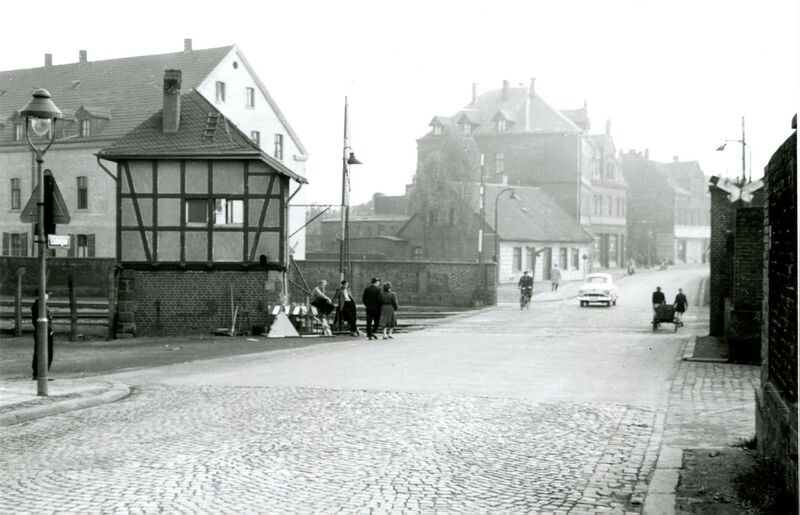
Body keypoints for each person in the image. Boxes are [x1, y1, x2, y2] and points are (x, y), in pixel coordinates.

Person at [31, 290, 54, 381]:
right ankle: (41, 373)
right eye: (47, 294)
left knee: (41, 352)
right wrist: (49, 330)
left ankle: (39, 373)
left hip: (43, 331)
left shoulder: (38, 305)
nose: (48, 296)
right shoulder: (40, 306)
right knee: (45, 352)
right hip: (44, 332)